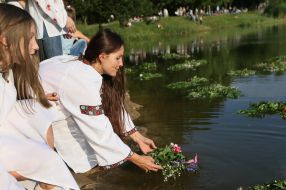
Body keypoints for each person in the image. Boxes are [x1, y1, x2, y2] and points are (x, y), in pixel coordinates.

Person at [38, 28, 162, 173]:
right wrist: (136, 158)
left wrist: (137, 137)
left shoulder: (85, 64)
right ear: (102, 56)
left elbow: (116, 106)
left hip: (43, 98)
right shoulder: (82, 81)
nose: (121, 63)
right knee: (85, 157)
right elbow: (98, 129)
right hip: (34, 108)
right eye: (117, 58)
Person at [0, 4, 79, 190]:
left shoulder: (7, 70)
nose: (36, 46)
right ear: (4, 40)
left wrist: (40, 98)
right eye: (31, 38)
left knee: (50, 159)